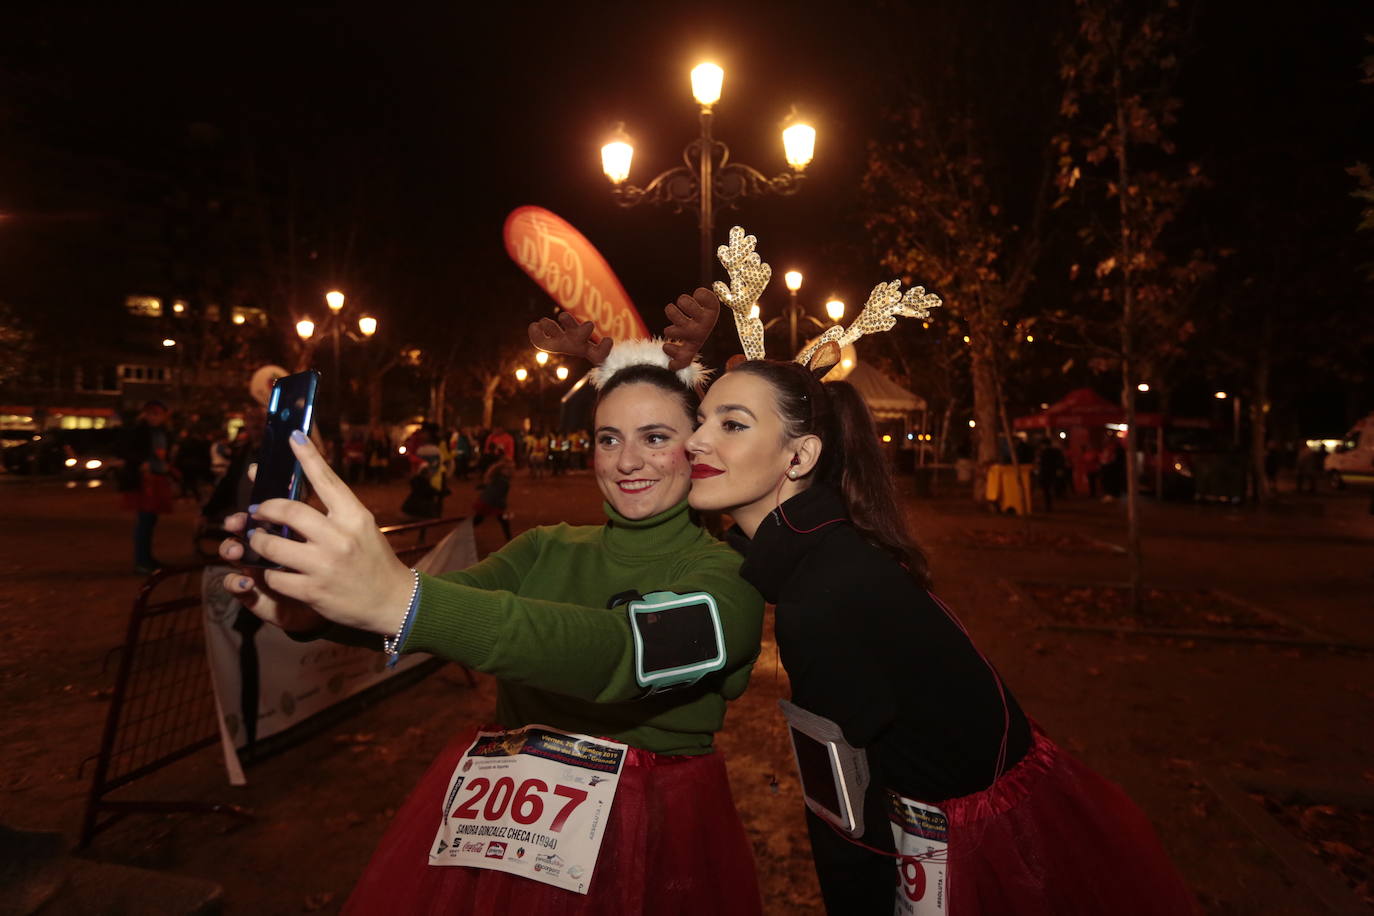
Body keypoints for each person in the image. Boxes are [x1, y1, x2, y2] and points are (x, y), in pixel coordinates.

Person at [216, 295, 766, 913]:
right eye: (607, 438)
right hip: (503, 833)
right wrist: (317, 611)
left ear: (696, 447)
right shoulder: (543, 548)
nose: (627, 461)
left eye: (655, 437)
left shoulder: (731, 580)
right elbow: (441, 614)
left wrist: (402, 599)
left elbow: (622, 653)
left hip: (655, 841)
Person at [686, 360, 1196, 915]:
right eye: (701, 420)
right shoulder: (827, 551)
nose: (696, 440)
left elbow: (847, 820)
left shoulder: (821, 594)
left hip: (985, 849)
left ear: (800, 456)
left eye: (732, 424)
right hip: (973, 824)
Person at [471, 457, 513, 541]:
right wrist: (504, 507)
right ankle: (509, 539)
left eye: (510, 469)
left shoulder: (497, 477)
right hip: (490, 503)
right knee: (503, 521)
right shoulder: (503, 481)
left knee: (478, 519)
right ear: (501, 470)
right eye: (507, 469)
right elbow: (499, 495)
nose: (509, 471)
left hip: (487, 502)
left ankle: (509, 539)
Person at [1035, 438, 1065, 511]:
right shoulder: (1055, 451)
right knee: (1049, 489)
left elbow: (1040, 462)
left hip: (1046, 473)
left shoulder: (1043, 452)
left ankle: (1048, 505)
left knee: (1046, 490)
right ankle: (1049, 504)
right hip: (1052, 472)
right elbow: (1060, 461)